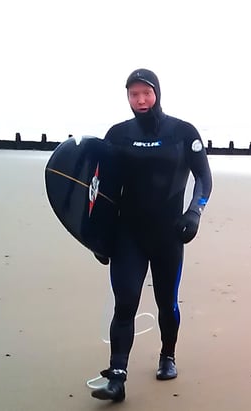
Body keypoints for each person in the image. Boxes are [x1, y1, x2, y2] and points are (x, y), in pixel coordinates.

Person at [91, 68, 212, 402]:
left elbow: (204, 178)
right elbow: (100, 188)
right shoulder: (117, 135)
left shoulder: (182, 132)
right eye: (134, 94)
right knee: (125, 302)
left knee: (166, 302)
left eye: (146, 92)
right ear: (127, 97)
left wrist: (194, 212)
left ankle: (167, 355)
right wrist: (98, 236)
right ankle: (117, 376)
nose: (141, 100)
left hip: (168, 234)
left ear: (157, 93)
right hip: (127, 234)